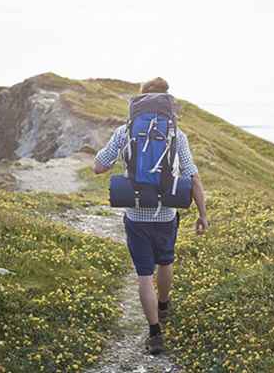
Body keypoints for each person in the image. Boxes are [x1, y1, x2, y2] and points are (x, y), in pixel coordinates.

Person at [93, 77, 209, 355]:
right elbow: (193, 177)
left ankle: (155, 334)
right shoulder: (176, 134)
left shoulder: (125, 131)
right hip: (167, 213)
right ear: (166, 101)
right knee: (165, 261)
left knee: (145, 276)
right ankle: (164, 305)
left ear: (141, 99)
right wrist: (203, 215)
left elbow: (99, 167)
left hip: (135, 215)